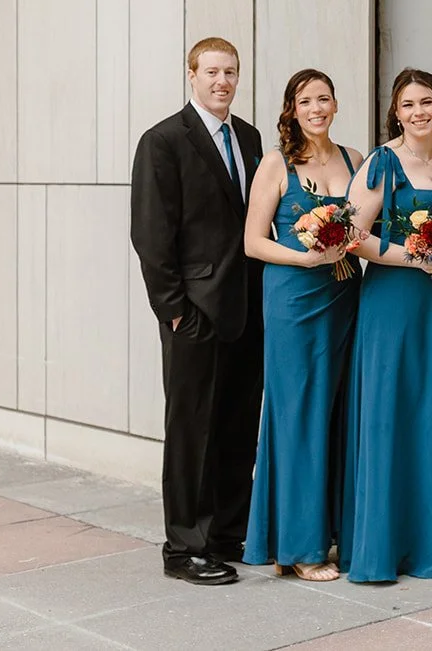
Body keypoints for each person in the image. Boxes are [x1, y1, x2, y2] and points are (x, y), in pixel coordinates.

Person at [130, 37, 265, 586]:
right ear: (191, 75)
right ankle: (183, 546)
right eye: (211, 71)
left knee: (237, 424)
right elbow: (150, 233)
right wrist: (174, 310)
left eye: (230, 72)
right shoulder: (163, 141)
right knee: (191, 430)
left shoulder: (251, 138)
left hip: (248, 307)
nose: (222, 81)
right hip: (196, 313)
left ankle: (229, 532)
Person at [340, 68, 432, 582]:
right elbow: (349, 232)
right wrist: (413, 259)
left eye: (428, 102)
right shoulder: (382, 162)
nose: (419, 112)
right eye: (409, 104)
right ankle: (383, 548)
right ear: (396, 110)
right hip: (393, 304)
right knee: (391, 414)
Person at [242, 70, 363, 581]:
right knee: (297, 414)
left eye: (324, 98)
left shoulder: (355, 159)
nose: (316, 107)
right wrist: (306, 258)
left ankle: (321, 532)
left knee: (335, 412)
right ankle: (300, 546)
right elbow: (252, 242)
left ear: (336, 103)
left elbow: (364, 227)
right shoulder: (276, 163)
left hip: (344, 296)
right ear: (292, 108)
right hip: (294, 298)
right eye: (305, 100)